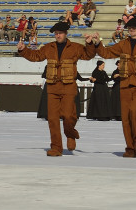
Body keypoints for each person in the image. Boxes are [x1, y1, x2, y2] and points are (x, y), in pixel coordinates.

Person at [88, 16, 136, 157]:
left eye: (134, 27)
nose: (131, 29)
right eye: (130, 27)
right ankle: (130, 148)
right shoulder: (123, 44)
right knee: (125, 117)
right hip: (125, 83)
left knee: (134, 109)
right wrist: (97, 43)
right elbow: (107, 53)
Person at [16, 21, 98, 156]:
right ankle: (56, 147)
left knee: (68, 115)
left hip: (68, 87)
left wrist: (89, 44)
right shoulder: (49, 47)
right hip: (53, 88)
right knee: (53, 119)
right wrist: (23, 50)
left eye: (60, 33)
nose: (58, 35)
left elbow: (89, 55)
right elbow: (36, 56)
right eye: (56, 33)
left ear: (65, 34)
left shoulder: (76, 47)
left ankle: (70, 134)